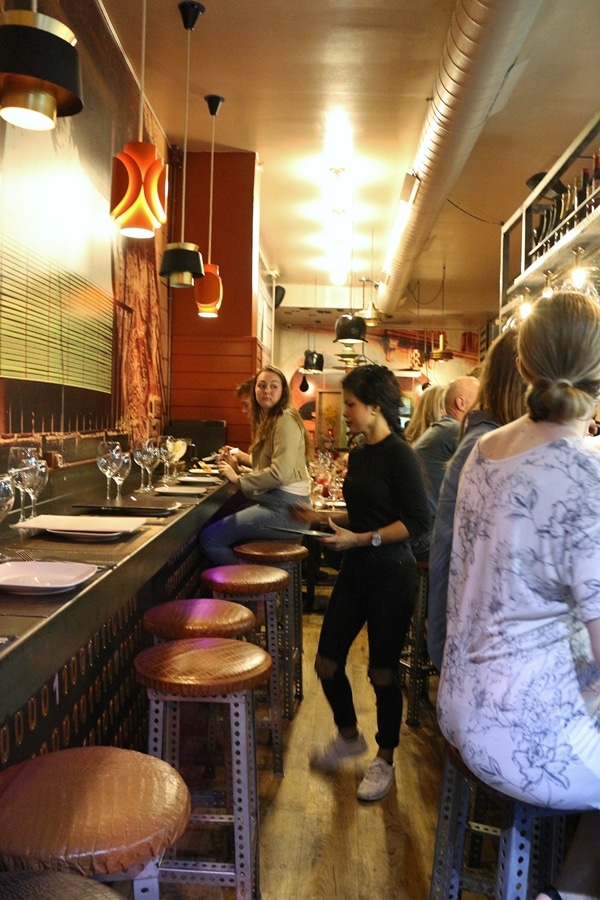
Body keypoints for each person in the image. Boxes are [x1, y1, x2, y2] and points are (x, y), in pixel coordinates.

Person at [436, 291, 600, 900]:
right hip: (525, 736)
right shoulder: (586, 475)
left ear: (523, 367)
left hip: (462, 706)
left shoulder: (484, 450)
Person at [296, 364, 431, 802]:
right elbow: (368, 513)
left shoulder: (401, 455)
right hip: (358, 570)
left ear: (375, 406)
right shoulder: (359, 452)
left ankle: (385, 758)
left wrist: (363, 538)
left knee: (382, 672)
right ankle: (349, 735)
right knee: (327, 663)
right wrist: (324, 519)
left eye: (351, 404)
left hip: (392, 574)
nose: (346, 411)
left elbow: (416, 520)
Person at [427, 328, 526, 671]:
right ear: (525, 377)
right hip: (481, 652)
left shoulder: (487, 439)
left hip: (476, 647)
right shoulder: (489, 446)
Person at [199, 365, 312, 565]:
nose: (267, 390)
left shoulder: (284, 419)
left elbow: (279, 474)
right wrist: (238, 467)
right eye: (262, 385)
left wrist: (238, 478)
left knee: (210, 539)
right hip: (281, 504)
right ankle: (257, 580)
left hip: (286, 510)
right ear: (255, 391)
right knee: (228, 525)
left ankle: (257, 583)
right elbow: (271, 466)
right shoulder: (273, 418)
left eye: (273, 386)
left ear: (283, 391)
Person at [412, 375, 479, 515]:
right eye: (480, 400)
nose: (485, 405)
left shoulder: (442, 428)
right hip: (428, 527)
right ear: (461, 403)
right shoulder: (454, 430)